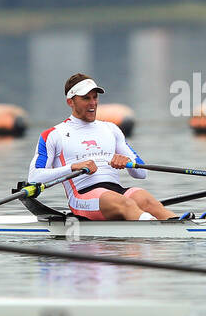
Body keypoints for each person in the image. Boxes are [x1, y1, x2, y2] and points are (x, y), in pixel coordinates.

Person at [27, 73, 189, 221]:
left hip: (116, 192)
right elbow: (34, 178)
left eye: (95, 97)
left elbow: (141, 173)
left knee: (144, 198)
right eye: (86, 98)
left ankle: (181, 227)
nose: (92, 103)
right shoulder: (54, 135)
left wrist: (126, 162)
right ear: (70, 101)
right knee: (122, 203)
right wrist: (73, 167)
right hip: (82, 197)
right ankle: (153, 229)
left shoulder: (111, 129)